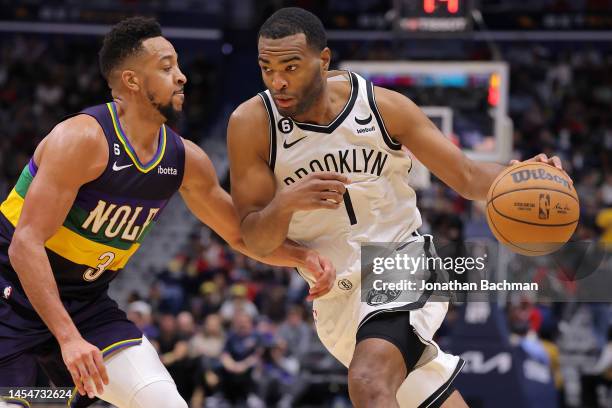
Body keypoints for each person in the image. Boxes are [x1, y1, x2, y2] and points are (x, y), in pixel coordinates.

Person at [227, 7, 570, 407]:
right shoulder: (251, 123)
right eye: (266, 68)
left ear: (323, 61)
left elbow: (467, 175)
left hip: (401, 261)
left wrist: (524, 176)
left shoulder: (382, 107)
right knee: (407, 392)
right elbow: (255, 237)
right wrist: (285, 204)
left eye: (290, 66)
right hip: (335, 295)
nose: (278, 81)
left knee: (369, 379)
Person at [0, 16, 335, 408]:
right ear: (131, 81)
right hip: (11, 303)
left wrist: (302, 257)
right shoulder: (82, 139)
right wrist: (68, 338)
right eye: (166, 67)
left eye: (177, 66)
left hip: (86, 306)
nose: (181, 78)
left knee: (164, 402)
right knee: (30, 403)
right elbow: (25, 245)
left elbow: (240, 235)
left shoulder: (185, 159)